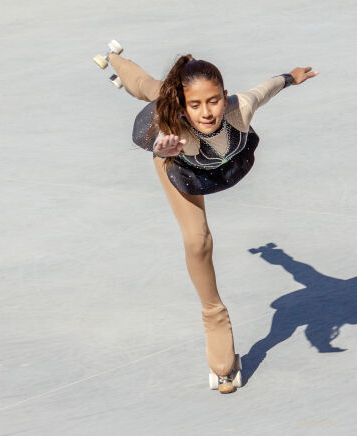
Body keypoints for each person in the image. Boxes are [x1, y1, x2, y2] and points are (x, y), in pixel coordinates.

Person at [98, 42, 318, 394]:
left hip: (218, 162)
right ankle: (214, 317)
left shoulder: (239, 107)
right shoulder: (176, 126)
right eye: (196, 104)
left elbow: (266, 89)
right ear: (185, 106)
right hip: (178, 165)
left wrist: (290, 78)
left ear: (225, 96)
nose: (206, 112)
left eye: (213, 101)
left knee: (156, 87)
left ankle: (118, 66)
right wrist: (162, 149)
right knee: (197, 239)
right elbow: (160, 143)